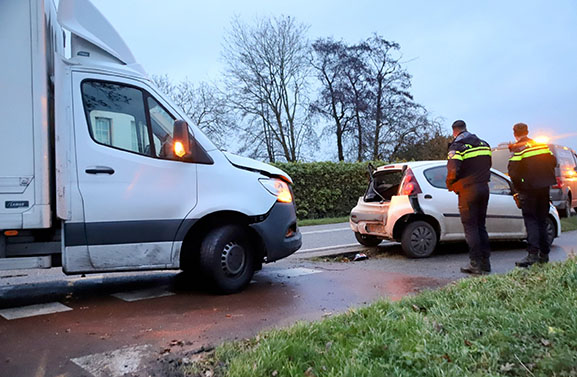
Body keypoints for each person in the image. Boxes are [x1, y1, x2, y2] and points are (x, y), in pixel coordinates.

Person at [446, 120, 492, 275]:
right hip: (484, 188)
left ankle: (475, 263)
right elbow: (488, 165)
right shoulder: (484, 144)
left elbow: (453, 170)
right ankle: (486, 263)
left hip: (468, 190)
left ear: (454, 131)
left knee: (471, 227)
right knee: (481, 226)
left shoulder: (457, 146)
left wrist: (450, 184)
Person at [508, 123, 557, 267]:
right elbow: (553, 162)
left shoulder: (518, 149)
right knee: (542, 220)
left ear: (514, 133)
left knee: (531, 221)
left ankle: (532, 254)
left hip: (528, 189)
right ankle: (544, 254)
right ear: (527, 131)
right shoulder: (542, 146)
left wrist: (519, 187)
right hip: (544, 188)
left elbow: (513, 172)